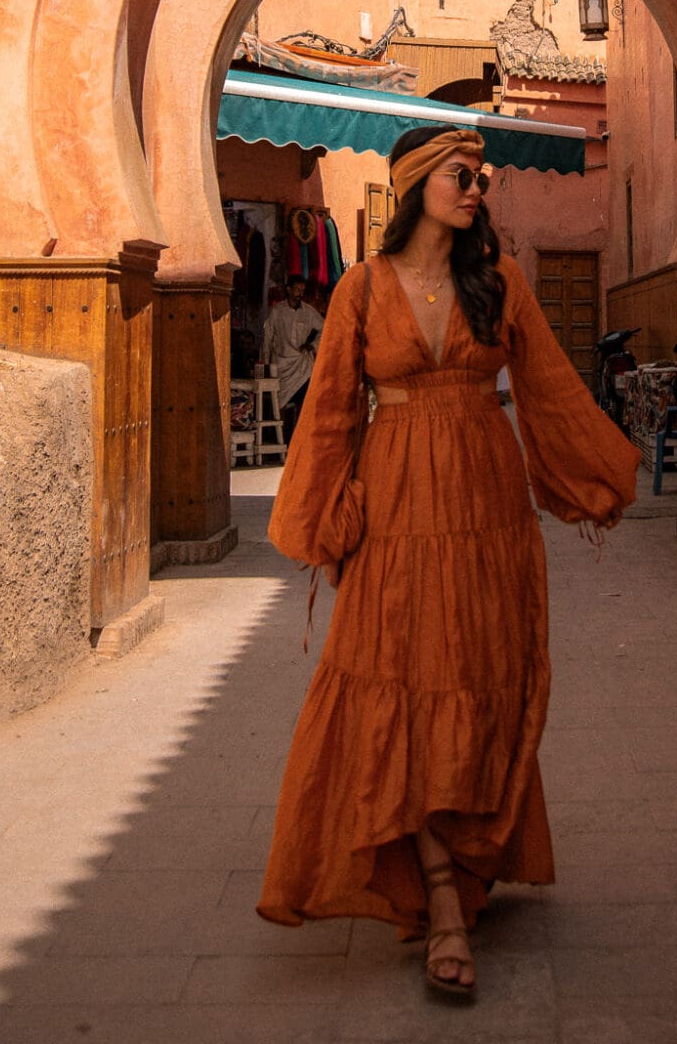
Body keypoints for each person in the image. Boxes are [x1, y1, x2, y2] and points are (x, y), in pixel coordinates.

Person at [256, 125, 639, 1000]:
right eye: (463, 176)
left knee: (477, 674)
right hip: (395, 507)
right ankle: (441, 897)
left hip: (486, 506)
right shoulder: (358, 286)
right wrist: (322, 518)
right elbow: (327, 413)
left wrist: (590, 477)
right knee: (399, 674)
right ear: (418, 183)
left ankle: (464, 866)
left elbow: (547, 386)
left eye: (483, 179)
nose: (477, 190)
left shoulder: (498, 281)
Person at [262, 275, 324, 440]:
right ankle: (278, 440)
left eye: (302, 291)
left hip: (303, 366)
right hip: (281, 365)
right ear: (288, 289)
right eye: (297, 289)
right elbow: (268, 338)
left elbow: (325, 329)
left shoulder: (309, 312)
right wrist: (266, 364)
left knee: (303, 405)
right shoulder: (277, 311)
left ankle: (299, 441)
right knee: (278, 404)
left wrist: (312, 346)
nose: (299, 294)